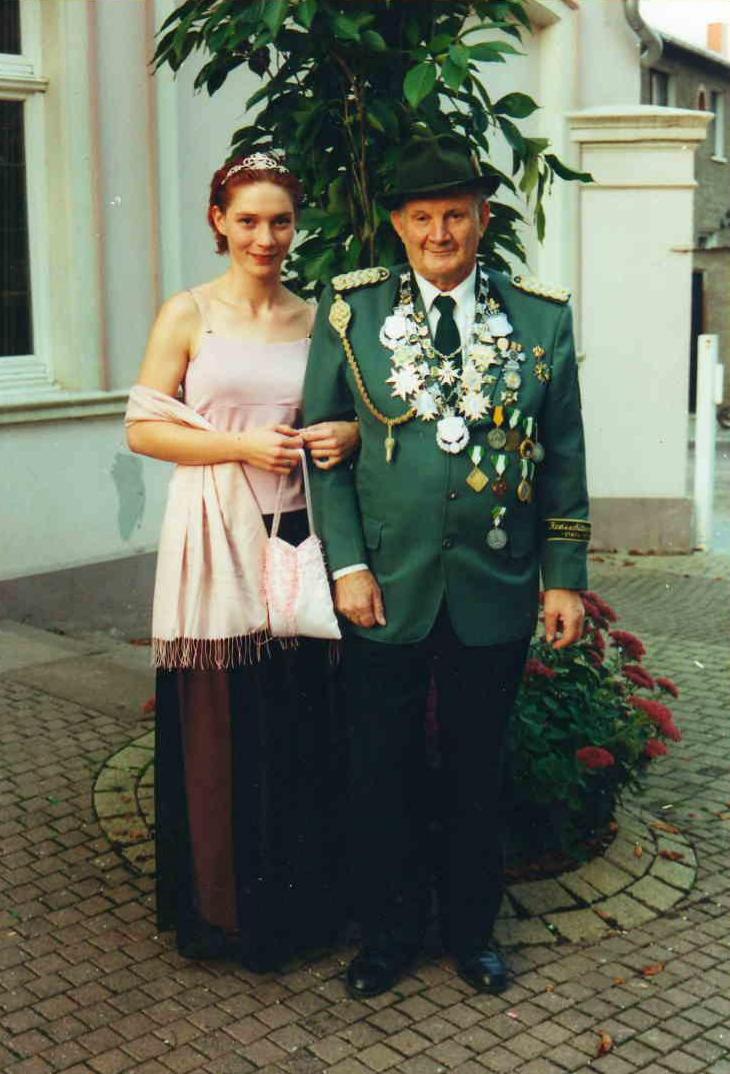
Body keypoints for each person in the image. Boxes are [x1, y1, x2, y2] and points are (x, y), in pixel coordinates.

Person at [303, 136, 590, 996]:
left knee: (476, 771)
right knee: (381, 769)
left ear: (482, 219)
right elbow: (326, 456)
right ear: (398, 224)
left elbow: (563, 453)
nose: (439, 234)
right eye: (422, 217)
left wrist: (564, 576)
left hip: (493, 585)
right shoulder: (350, 313)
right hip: (386, 586)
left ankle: (472, 935)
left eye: (456, 215)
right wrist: (347, 567)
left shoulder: (540, 318)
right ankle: (388, 938)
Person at [125, 151, 358, 968]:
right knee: (222, 725)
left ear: (297, 226)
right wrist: (240, 446)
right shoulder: (187, 313)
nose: (266, 238)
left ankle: (295, 914)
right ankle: (225, 915)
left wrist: (347, 433)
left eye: (281, 221)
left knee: (296, 722)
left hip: (297, 539)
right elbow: (143, 428)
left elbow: (349, 413)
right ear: (219, 221)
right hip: (216, 539)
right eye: (249, 220)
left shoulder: (317, 318)